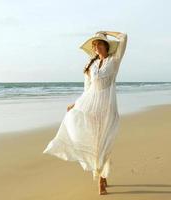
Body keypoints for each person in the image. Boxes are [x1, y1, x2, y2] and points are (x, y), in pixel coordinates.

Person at [43, 31, 128, 195]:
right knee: (94, 141)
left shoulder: (114, 60)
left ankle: (102, 175)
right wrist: (75, 104)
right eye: (95, 45)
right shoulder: (91, 65)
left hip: (107, 107)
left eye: (99, 43)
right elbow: (87, 90)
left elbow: (124, 37)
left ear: (106, 45)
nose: (96, 47)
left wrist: (105, 32)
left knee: (104, 142)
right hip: (91, 105)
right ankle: (101, 178)